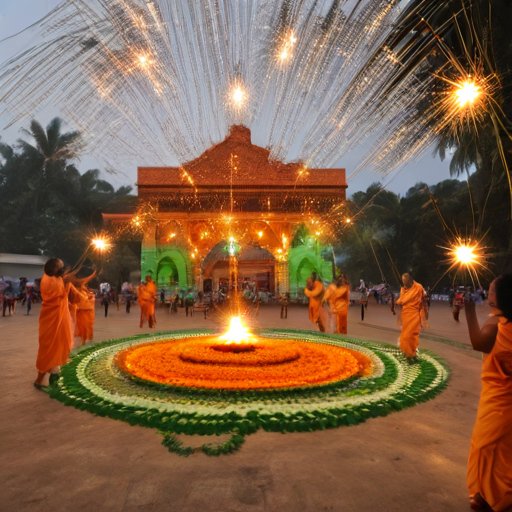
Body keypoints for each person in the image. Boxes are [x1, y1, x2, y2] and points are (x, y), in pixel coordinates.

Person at [464, 275, 512, 512]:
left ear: (500, 297)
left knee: (487, 446)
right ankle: (485, 493)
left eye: (491, 290)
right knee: (494, 448)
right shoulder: (500, 321)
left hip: (502, 401)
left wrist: (468, 310)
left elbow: (478, 343)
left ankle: (500, 498)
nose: (487, 293)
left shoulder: (498, 325)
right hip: (496, 395)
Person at [34, 258, 73, 389]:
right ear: (54, 268)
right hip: (51, 319)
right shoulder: (49, 280)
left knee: (58, 346)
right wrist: (67, 286)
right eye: (60, 267)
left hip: (58, 319)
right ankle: (39, 381)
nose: (62, 269)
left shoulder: (55, 279)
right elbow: (59, 297)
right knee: (49, 349)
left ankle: (53, 378)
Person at [392, 272, 428, 359]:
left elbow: (424, 301)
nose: (404, 282)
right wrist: (396, 302)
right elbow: (401, 300)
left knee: (411, 335)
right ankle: (408, 352)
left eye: (406, 280)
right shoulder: (403, 289)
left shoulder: (418, 287)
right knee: (405, 334)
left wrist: (424, 315)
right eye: (403, 280)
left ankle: (411, 353)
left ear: (410, 279)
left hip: (415, 314)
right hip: (405, 314)